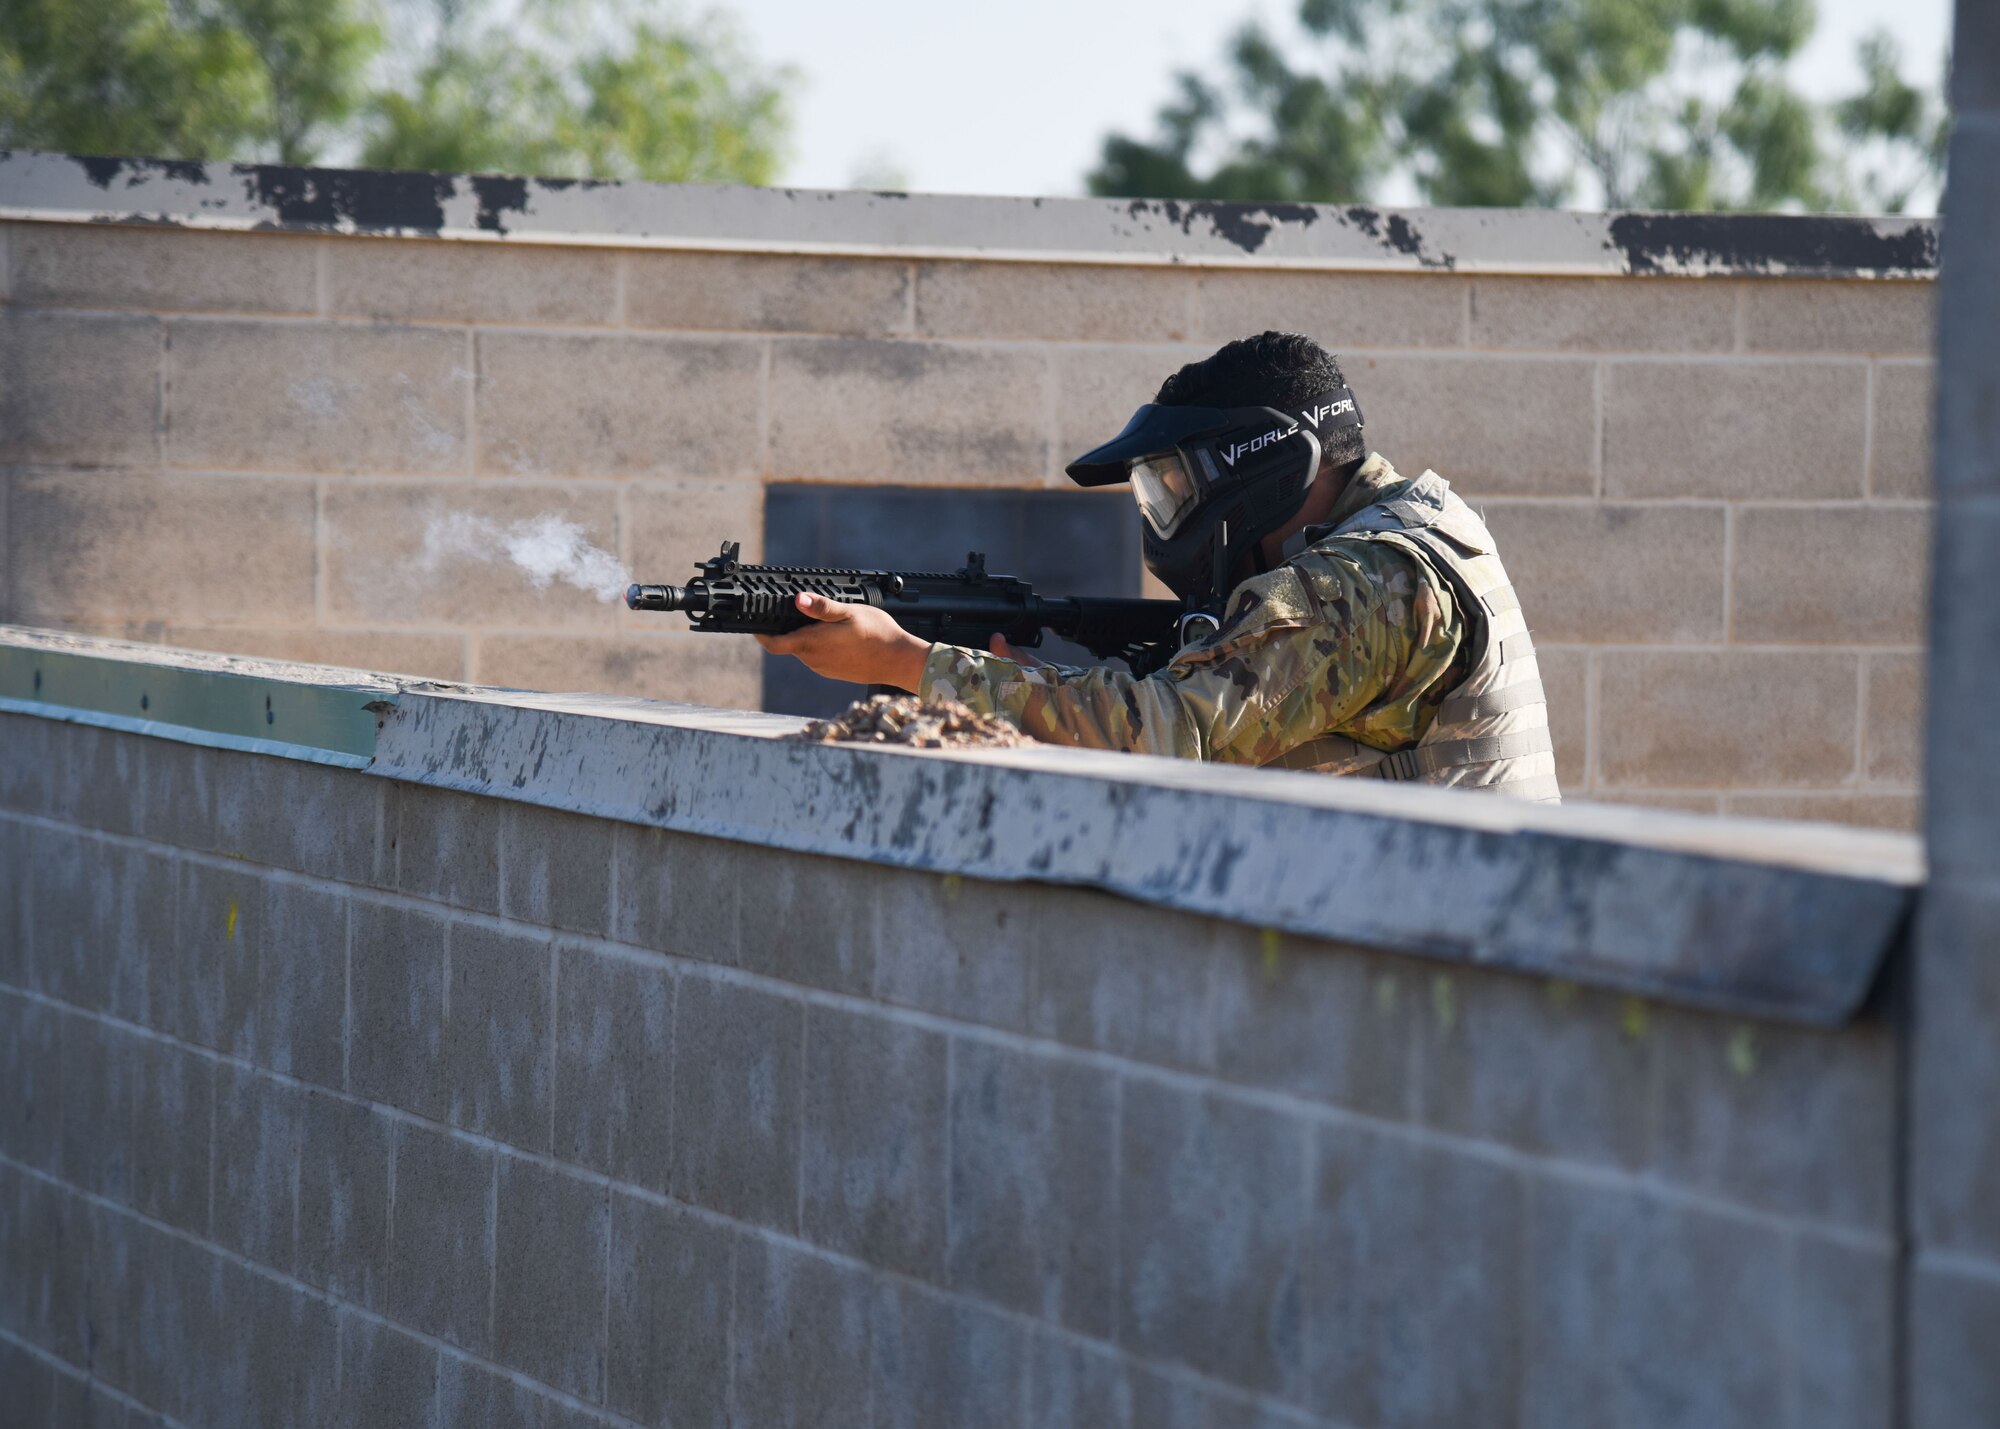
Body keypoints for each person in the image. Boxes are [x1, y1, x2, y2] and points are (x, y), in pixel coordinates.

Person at [757, 331, 1559, 802]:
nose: (1166, 512)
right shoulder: (1410, 538)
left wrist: (905, 663)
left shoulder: (1369, 581)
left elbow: (1168, 738)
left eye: (1175, 483)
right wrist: (1033, 691)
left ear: (1265, 466)